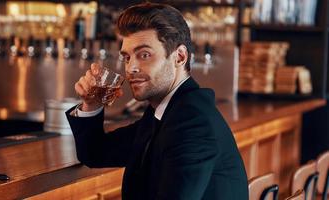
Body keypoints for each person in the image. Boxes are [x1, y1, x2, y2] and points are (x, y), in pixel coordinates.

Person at [65, 3, 248, 200]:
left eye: (144, 55)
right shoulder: (168, 111)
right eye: (127, 57)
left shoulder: (191, 122)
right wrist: (92, 105)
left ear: (179, 57)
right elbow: (95, 153)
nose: (131, 68)